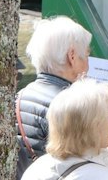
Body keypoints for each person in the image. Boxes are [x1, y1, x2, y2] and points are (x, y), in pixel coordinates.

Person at [15, 16, 91, 166]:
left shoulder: (19, 96)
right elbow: (78, 169)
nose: (88, 66)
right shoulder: (72, 107)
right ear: (72, 56)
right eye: (86, 56)